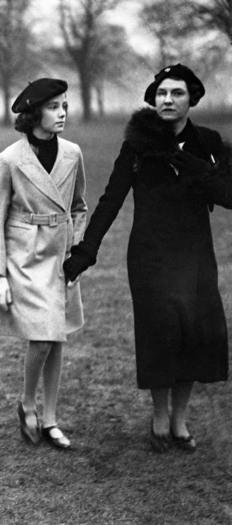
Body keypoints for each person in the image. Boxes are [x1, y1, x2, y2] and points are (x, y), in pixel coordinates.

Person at [63, 64, 231, 453]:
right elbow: (111, 198)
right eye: (161, 93)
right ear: (153, 99)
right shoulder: (137, 145)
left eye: (177, 93)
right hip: (150, 256)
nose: (168, 100)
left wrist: (184, 160)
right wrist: (86, 251)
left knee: (193, 334)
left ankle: (179, 420)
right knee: (160, 334)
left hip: (195, 255)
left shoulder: (208, 142)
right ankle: (159, 415)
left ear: (192, 99)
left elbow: (227, 194)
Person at [0, 78, 88, 450]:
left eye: (64, 105)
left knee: (56, 337)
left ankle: (50, 420)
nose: (62, 113)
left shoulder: (74, 153)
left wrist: (76, 249)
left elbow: (79, 206)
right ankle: (27, 402)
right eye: (53, 107)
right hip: (24, 257)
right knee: (45, 335)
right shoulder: (10, 159)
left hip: (61, 257)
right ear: (33, 114)